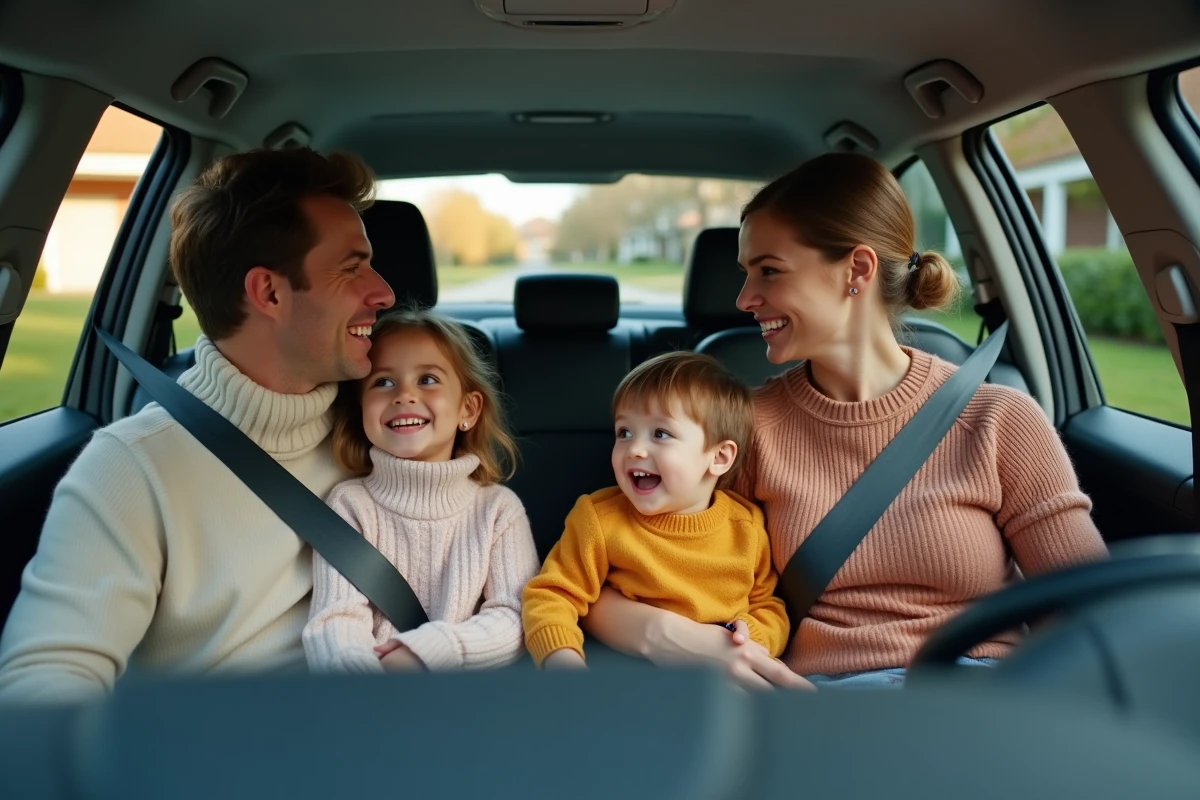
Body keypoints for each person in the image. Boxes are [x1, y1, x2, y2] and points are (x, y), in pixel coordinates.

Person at [582, 152, 1109, 689]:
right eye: (746, 274)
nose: (744, 299)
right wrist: (671, 637)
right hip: (819, 704)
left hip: (974, 700)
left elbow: (1089, 612)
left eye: (769, 271)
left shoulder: (999, 421)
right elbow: (603, 578)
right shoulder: (743, 431)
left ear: (856, 270)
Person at [0, 147, 395, 702]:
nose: (384, 292)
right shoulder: (133, 468)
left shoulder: (390, 427)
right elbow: (41, 688)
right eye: (352, 268)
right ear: (270, 292)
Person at [303, 307, 539, 673]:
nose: (404, 395)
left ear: (468, 409)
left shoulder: (497, 510)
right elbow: (336, 619)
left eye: (427, 379)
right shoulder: (350, 504)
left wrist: (429, 651)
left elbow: (514, 616)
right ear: (362, 408)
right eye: (383, 382)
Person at [522, 351, 790, 670]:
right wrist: (563, 664)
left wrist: (751, 637)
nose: (634, 450)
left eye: (660, 434)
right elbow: (551, 595)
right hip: (626, 678)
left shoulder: (746, 527)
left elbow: (768, 606)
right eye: (624, 432)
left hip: (718, 678)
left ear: (719, 458)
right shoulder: (600, 518)